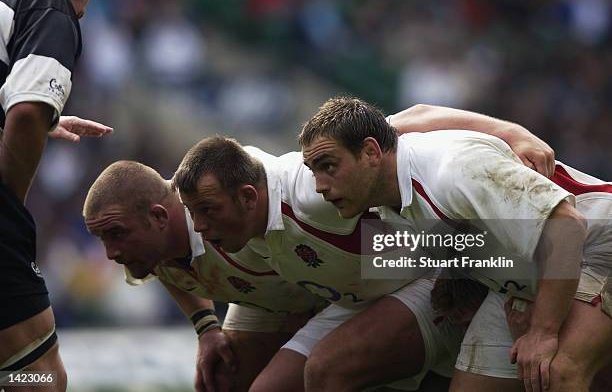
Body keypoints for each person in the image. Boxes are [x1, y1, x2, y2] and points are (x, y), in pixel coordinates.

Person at [171, 104, 556, 392]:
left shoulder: (313, 189)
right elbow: (166, 264)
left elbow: (409, 121)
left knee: (328, 370)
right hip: (362, 296)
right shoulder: (226, 232)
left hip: (420, 279)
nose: (200, 226)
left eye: (205, 212)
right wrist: (206, 327)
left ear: (248, 197)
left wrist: (512, 132)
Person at [298, 96, 611, 392]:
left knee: (556, 372)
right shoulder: (383, 175)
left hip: (597, 244)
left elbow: (567, 228)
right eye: (313, 171)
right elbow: (416, 114)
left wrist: (544, 331)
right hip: (532, 279)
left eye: (329, 166)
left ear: (370, 153)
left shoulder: (455, 170)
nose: (319, 186)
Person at [83, 161, 325, 392]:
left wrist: (366, 270)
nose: (111, 253)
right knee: (225, 378)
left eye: (116, 234)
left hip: (344, 295)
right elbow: (162, 267)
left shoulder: (232, 206)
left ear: (159, 217)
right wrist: (206, 327)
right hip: (277, 297)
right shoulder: (149, 241)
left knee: (302, 378)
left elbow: (363, 207)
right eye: (102, 237)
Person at [0, 0, 101, 389]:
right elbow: (25, 113)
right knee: (38, 376)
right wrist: (7, 208)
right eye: (77, 15)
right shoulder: (46, 2)